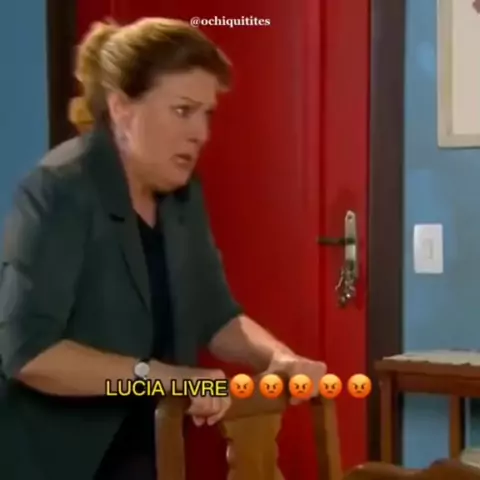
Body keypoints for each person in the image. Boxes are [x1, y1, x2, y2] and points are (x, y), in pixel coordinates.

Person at [0, 18, 327, 480]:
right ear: (121, 109)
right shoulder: (59, 190)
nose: (201, 133)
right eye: (182, 110)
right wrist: (163, 377)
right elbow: (29, 354)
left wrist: (277, 358)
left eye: (206, 114)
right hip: (51, 462)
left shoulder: (183, 195)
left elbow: (216, 316)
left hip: (151, 453)